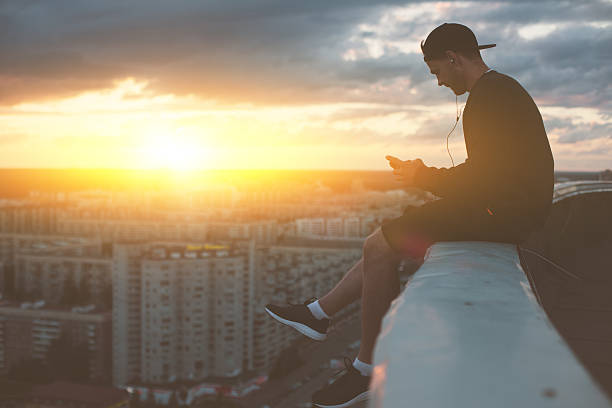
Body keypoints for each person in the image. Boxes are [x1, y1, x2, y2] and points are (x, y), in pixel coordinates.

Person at [265, 23, 554, 408]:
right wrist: (424, 176)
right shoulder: (500, 90)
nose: (438, 83)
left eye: (436, 72)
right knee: (381, 240)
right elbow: (491, 172)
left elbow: (484, 177)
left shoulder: (490, 96)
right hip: (508, 207)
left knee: (384, 244)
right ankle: (318, 313)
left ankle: (368, 369)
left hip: (504, 212)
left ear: (452, 59)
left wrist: (422, 176)